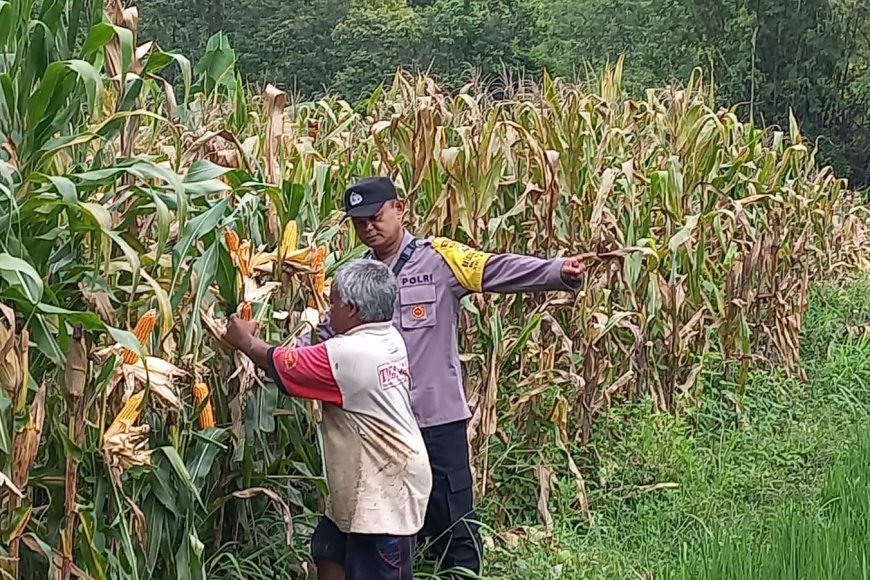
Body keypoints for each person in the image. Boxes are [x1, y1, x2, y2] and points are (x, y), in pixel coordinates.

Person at [299, 176, 589, 575]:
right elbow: (326, 334)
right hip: (378, 428)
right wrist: (282, 354)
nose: (367, 227)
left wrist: (556, 271)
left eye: (375, 216)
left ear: (399, 209)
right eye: (358, 221)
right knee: (379, 523)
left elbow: (495, 269)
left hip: (436, 419)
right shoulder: (353, 277)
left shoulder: (439, 258)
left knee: (454, 521)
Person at [224, 259, 432, 580]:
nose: (327, 310)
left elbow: (280, 363)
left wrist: (245, 341)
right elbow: (323, 350)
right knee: (327, 548)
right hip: (370, 477)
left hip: (383, 493)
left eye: (332, 302)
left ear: (351, 309)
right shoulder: (387, 336)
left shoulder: (351, 354)